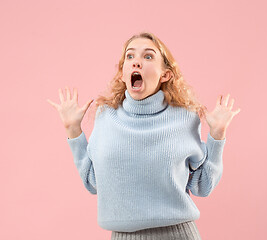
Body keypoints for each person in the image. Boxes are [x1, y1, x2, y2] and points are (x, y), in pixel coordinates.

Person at [47, 32, 241, 240]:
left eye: (148, 56)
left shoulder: (184, 118)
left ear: (165, 74)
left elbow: (202, 185)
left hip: (179, 235)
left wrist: (217, 135)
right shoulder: (106, 117)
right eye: (130, 57)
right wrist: (73, 130)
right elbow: (94, 183)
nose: (136, 62)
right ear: (123, 73)